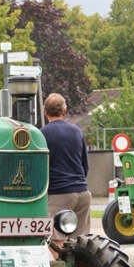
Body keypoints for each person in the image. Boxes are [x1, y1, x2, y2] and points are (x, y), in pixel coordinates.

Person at [40, 92, 92, 247]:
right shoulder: (77, 131)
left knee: (55, 238)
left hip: (59, 194)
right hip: (83, 193)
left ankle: (59, 264)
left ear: (45, 111)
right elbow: (85, 165)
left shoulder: (42, 135)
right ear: (64, 111)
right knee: (80, 242)